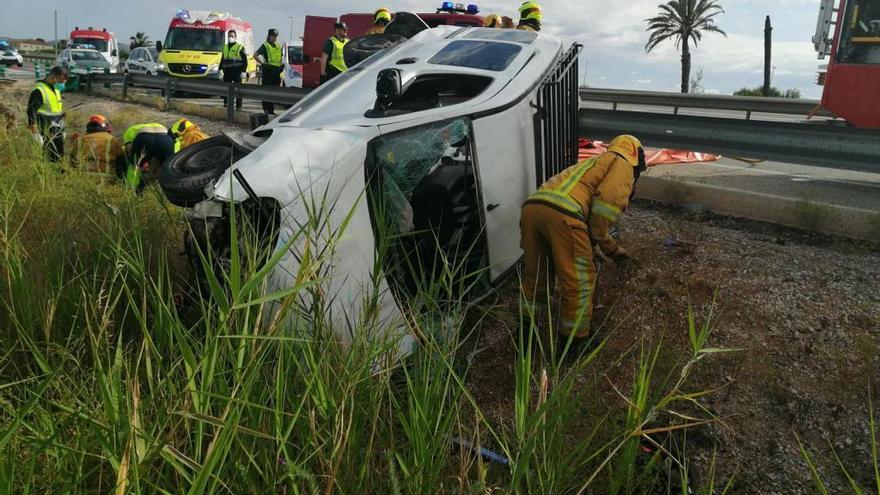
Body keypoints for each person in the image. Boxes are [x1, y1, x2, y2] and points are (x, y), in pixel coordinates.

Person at [519, 135, 646, 348]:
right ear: (636, 157)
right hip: (565, 216)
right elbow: (606, 203)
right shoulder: (623, 163)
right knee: (578, 283)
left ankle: (524, 334)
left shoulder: (593, 162)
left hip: (532, 209)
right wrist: (608, 246)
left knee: (536, 276)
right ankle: (574, 343)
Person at [27, 66, 69, 161]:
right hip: (44, 130)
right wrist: (35, 133)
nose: (63, 84)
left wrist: (62, 129)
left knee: (58, 159)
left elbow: (56, 112)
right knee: (44, 159)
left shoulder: (56, 90)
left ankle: (57, 175)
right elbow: (31, 112)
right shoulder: (39, 90)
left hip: (57, 130)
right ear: (53, 77)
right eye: (61, 81)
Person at [119, 123, 172, 190]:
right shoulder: (157, 125)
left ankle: (133, 189)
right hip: (165, 138)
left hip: (144, 138)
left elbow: (129, 149)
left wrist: (133, 159)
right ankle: (164, 189)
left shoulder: (129, 132)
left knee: (135, 165)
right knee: (166, 166)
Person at [254, 28, 283, 115]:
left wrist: (281, 66)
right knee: (266, 92)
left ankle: (271, 110)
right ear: (269, 36)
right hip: (268, 72)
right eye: (273, 36)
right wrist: (263, 64)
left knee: (274, 93)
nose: (275, 38)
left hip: (276, 72)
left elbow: (280, 58)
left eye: (276, 36)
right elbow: (255, 55)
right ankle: (266, 110)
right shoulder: (265, 45)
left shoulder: (278, 46)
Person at [221, 29, 248, 110]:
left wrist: (244, 71)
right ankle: (226, 103)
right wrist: (220, 68)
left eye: (232, 36)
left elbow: (245, 60)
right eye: (229, 36)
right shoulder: (225, 47)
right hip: (227, 72)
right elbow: (222, 59)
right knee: (226, 88)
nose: (230, 38)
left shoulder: (240, 47)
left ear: (235, 37)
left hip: (237, 72)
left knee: (238, 89)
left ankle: (238, 106)